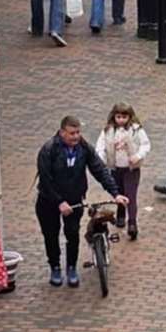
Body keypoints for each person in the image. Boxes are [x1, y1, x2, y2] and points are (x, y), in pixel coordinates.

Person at [36, 114, 126, 287]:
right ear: (62, 132)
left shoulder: (84, 148)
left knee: (72, 234)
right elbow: (45, 180)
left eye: (78, 132)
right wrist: (59, 202)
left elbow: (99, 170)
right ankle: (55, 266)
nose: (76, 136)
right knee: (51, 235)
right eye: (72, 133)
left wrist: (115, 193)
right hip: (49, 201)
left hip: (74, 199)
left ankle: (71, 267)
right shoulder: (49, 150)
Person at [96, 104, 151, 240]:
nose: (121, 120)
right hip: (115, 168)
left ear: (130, 117)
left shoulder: (136, 130)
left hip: (131, 169)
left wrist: (137, 156)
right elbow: (100, 147)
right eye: (118, 117)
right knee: (119, 192)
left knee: (130, 195)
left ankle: (132, 223)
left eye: (124, 117)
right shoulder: (108, 130)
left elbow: (146, 145)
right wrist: (101, 160)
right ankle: (121, 214)